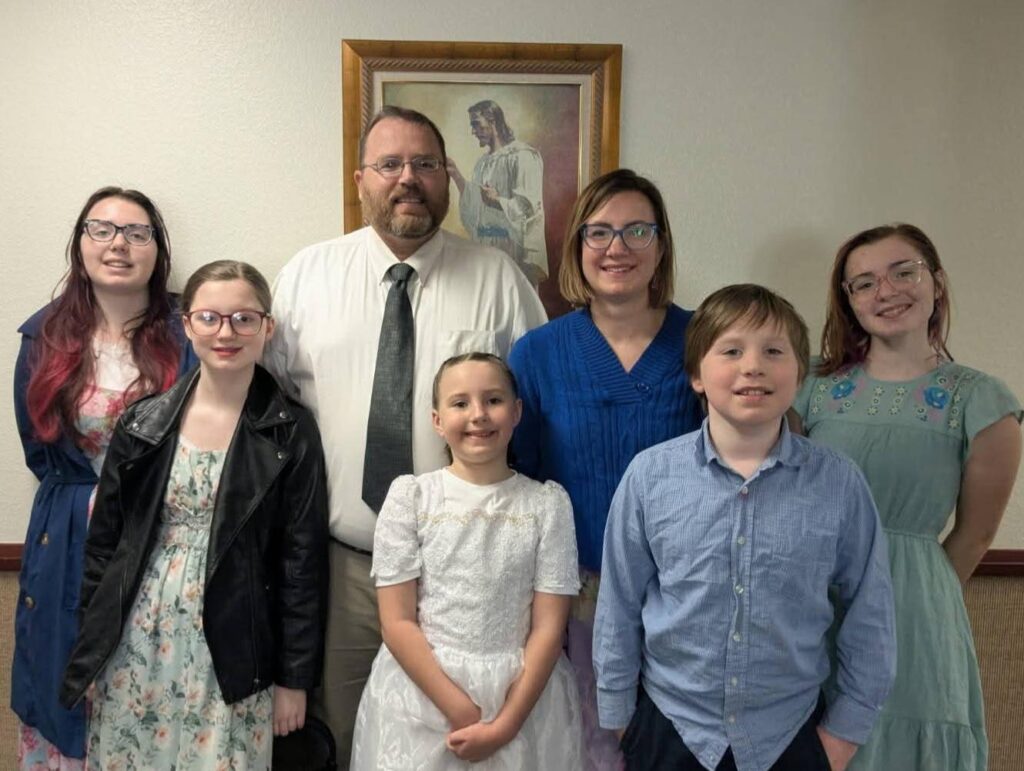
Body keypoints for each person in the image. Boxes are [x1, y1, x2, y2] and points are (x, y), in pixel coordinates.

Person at [265, 104, 547, 766]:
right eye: (389, 164)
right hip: (345, 567)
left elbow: (536, 406)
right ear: (361, 178)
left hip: (469, 577)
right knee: (345, 739)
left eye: (424, 163)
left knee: (456, 744)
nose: (407, 178)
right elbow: (267, 406)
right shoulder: (307, 276)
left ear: (447, 176)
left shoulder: (498, 279)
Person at [595, 284, 897, 771]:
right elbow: (619, 603)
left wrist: (844, 734)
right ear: (696, 374)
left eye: (774, 351)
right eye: (731, 351)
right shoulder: (649, 477)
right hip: (670, 728)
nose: (753, 366)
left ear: (799, 374)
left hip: (793, 734)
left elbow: (870, 612)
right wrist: (621, 719)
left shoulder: (839, 483)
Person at [59, 260, 329, 768]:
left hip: (237, 646)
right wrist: (90, 652)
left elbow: (302, 565)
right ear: (187, 325)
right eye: (209, 317)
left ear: (267, 327)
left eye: (244, 319)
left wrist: (295, 680)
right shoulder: (143, 423)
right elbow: (104, 547)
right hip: (139, 634)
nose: (226, 333)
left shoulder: (290, 432)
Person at [793, 224, 1022, 770]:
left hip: (916, 610)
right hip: (813, 600)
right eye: (865, 282)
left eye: (904, 272)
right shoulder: (809, 386)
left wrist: (905, 597)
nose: (887, 291)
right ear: (849, 301)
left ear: (937, 283)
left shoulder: (982, 400)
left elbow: (976, 535)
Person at [508, 168, 703, 768]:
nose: (617, 247)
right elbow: (520, 485)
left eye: (637, 230)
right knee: (591, 747)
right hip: (577, 598)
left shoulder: (705, 342)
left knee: (679, 747)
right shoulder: (536, 354)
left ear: (661, 245)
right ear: (578, 246)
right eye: (599, 232)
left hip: (686, 593)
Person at [12, 186, 196, 768]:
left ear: (158, 250)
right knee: (67, 677)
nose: (119, 244)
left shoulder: (189, 332)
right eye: (102, 229)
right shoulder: (43, 337)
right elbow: (38, 446)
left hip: (162, 535)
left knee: (154, 678)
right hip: (68, 534)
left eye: (137, 233)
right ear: (80, 244)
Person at [350, 352, 581, 769]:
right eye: (460, 403)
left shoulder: (547, 505)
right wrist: (460, 710)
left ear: (516, 412)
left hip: (522, 698)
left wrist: (505, 725)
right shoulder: (411, 499)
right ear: (437, 420)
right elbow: (397, 622)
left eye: (493, 400)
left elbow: (549, 627)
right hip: (423, 696)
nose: (478, 414)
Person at [448, 99, 548, 287]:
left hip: (513, 250)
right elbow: (475, 211)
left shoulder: (523, 155)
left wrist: (498, 201)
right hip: (488, 249)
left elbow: (529, 208)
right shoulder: (482, 163)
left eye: (476, 124)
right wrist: (457, 176)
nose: (473, 131)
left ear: (492, 120)